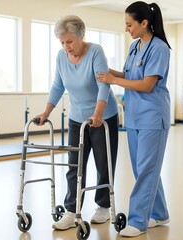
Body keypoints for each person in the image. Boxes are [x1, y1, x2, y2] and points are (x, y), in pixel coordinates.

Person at [34, 15, 119, 231]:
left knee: (103, 164)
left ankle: (103, 205)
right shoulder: (61, 57)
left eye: (69, 41)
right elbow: (57, 85)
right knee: (74, 165)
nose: (66, 47)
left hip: (103, 117)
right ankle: (71, 211)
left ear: (81, 36)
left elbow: (104, 85)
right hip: (76, 118)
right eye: (62, 42)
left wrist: (98, 113)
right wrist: (46, 112)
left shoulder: (96, 52)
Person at [96, 1, 171, 237]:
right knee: (143, 170)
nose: (127, 29)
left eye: (129, 24)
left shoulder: (159, 48)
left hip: (152, 117)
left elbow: (147, 85)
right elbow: (129, 74)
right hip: (134, 117)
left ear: (145, 23)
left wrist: (113, 81)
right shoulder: (135, 46)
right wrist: (106, 71)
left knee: (147, 169)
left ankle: (139, 221)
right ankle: (160, 214)